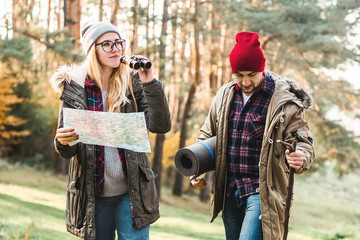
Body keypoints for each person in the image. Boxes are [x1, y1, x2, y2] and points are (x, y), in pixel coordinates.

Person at [50, 21, 171, 240]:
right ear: (92, 50)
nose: (116, 49)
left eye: (118, 43)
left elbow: (160, 125)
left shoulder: (133, 83)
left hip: (132, 192)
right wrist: (62, 142)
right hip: (94, 194)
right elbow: (66, 151)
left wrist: (150, 81)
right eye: (107, 44)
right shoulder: (74, 89)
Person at [190, 32, 315, 240]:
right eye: (239, 75)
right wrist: (197, 166)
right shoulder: (224, 95)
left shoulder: (284, 102)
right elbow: (207, 133)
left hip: (261, 192)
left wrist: (301, 156)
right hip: (230, 191)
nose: (246, 81)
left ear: (262, 69)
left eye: (252, 74)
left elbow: (304, 142)